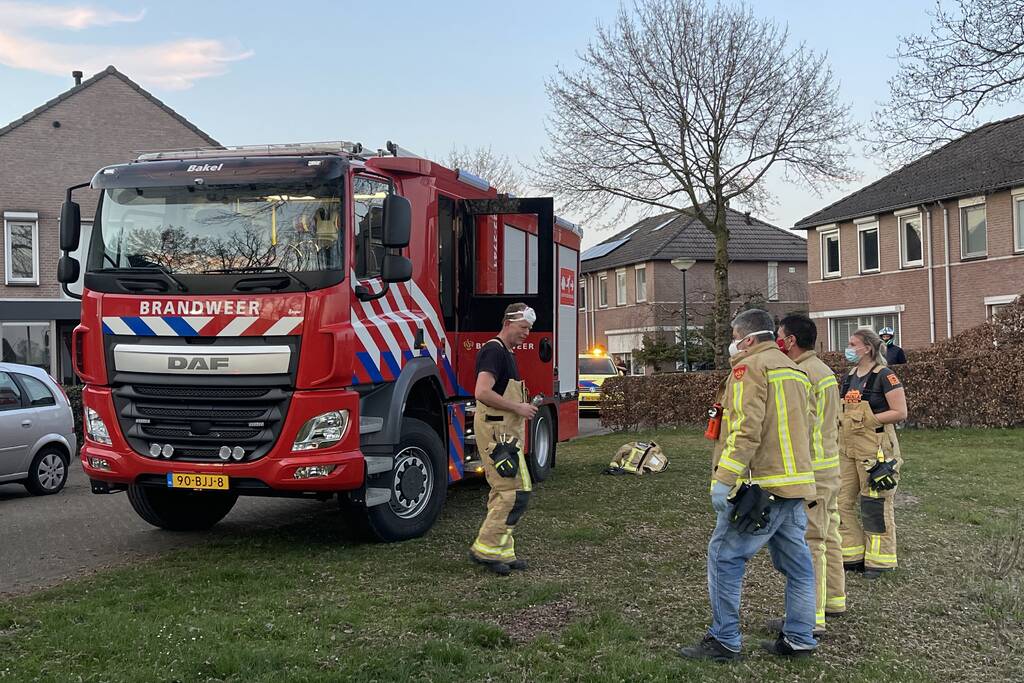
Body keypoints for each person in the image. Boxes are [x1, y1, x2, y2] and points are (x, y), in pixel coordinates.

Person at [679, 309, 818, 662]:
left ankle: (724, 641)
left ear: (749, 339)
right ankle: (800, 638)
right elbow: (810, 425)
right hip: (795, 485)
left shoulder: (749, 368)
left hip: (762, 486)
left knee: (724, 557)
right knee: (799, 566)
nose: (732, 344)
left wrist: (724, 479)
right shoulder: (797, 371)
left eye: (734, 336)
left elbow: (745, 428)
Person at [773, 314, 845, 637]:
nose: (777, 342)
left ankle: (810, 617)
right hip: (830, 468)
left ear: (790, 341)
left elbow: (799, 424)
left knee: (810, 542)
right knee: (831, 535)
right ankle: (833, 600)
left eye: (779, 336)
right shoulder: (826, 371)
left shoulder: (800, 374)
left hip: (812, 471)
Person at [469, 303, 539, 576]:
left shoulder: (506, 352)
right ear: (508, 322)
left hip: (504, 433)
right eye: (523, 328)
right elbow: (482, 392)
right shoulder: (493, 351)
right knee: (516, 492)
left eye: (529, 329)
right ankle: (485, 548)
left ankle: (501, 551)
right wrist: (518, 408)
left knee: (503, 492)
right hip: (498, 435)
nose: (527, 334)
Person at [838, 328, 908, 579]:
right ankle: (853, 554)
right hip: (847, 448)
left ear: (867, 347)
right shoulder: (849, 377)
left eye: (852, 343)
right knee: (841, 502)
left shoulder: (884, 376)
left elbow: (900, 412)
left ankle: (879, 560)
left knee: (874, 504)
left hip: (876, 449)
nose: (848, 348)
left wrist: (867, 420)